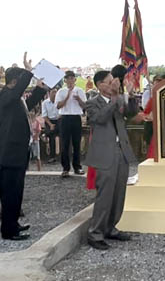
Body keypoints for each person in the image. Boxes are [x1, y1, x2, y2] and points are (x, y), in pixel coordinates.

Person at [84, 70, 137, 250]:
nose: (114, 83)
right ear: (100, 85)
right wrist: (115, 99)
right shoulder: (92, 103)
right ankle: (95, 233)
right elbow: (100, 118)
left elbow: (131, 113)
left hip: (121, 150)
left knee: (118, 193)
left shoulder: (119, 99)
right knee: (105, 194)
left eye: (114, 81)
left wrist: (128, 94)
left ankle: (110, 227)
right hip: (104, 153)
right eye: (109, 81)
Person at [0, 64, 36, 240]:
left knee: (17, 190)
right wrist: (29, 72)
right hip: (9, 152)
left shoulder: (16, 98)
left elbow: (30, 104)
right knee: (9, 192)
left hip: (19, 151)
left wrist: (40, 90)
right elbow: (18, 91)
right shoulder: (6, 95)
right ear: (15, 80)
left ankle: (14, 223)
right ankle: (8, 229)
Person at [56, 70, 87, 178]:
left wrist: (78, 99)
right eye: (67, 78)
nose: (70, 80)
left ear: (75, 79)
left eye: (71, 78)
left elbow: (84, 106)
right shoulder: (61, 91)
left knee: (76, 143)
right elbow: (58, 106)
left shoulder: (80, 91)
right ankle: (65, 168)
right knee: (64, 144)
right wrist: (67, 96)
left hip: (76, 118)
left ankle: (77, 166)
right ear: (65, 80)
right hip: (65, 118)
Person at [41, 86, 61, 162]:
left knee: (62, 135)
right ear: (49, 93)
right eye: (53, 92)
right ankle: (52, 156)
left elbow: (61, 112)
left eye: (56, 92)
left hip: (58, 120)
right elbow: (44, 115)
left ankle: (61, 155)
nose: (55, 94)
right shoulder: (45, 103)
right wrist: (50, 124)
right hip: (49, 121)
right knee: (52, 137)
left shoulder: (59, 102)